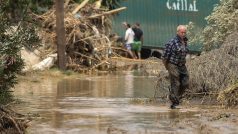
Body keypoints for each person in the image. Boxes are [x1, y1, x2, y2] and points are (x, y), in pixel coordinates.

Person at [162, 25, 189, 109]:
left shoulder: (185, 41)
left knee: (185, 82)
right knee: (176, 83)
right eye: (182, 32)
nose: (183, 34)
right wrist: (167, 66)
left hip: (182, 65)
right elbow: (164, 57)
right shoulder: (172, 42)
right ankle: (174, 103)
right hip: (172, 64)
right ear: (177, 32)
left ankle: (175, 97)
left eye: (185, 32)